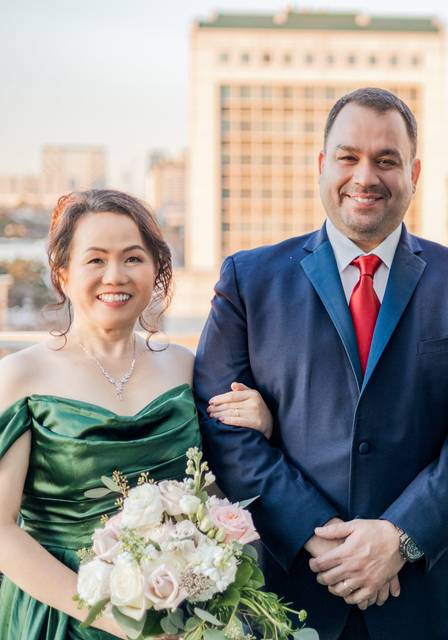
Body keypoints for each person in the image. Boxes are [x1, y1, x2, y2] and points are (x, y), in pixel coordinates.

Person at [192, 87, 448, 640]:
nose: (366, 176)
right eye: (349, 157)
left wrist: (400, 536)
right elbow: (223, 426)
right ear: (323, 165)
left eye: (386, 160)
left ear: (413, 172)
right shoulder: (249, 281)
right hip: (289, 596)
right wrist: (317, 536)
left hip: (437, 603)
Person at [0, 190, 270, 639]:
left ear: (156, 270)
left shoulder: (186, 367)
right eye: (95, 260)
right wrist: (114, 618)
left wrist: (263, 421)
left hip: (178, 613)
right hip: (62, 614)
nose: (115, 275)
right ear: (63, 273)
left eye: (133, 258)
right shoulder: (20, 376)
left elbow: (219, 484)